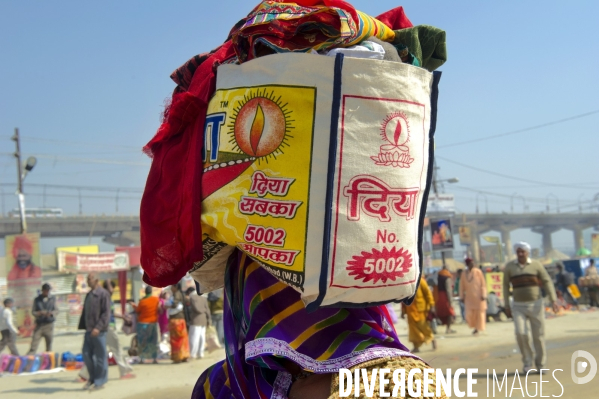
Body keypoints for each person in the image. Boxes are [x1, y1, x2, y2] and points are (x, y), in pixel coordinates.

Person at [503, 241, 558, 373]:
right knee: (520, 333)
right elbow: (505, 286)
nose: (520, 254)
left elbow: (546, 281)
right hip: (518, 306)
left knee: (538, 336)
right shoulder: (510, 267)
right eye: (518, 252)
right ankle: (527, 362)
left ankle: (541, 364)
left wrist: (553, 299)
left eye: (523, 251)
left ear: (527, 252)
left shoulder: (536, 265)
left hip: (536, 305)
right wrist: (506, 305)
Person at [78, 280, 135, 382]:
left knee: (98, 352)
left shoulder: (106, 298)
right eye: (111, 288)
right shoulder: (104, 296)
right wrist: (108, 281)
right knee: (117, 349)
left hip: (105, 327)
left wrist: (122, 317)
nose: (113, 290)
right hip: (108, 327)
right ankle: (124, 371)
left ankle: (84, 374)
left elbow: (110, 313)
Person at [78, 273, 111, 391]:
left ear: (97, 280)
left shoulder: (103, 294)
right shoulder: (89, 295)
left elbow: (106, 314)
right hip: (88, 330)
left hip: (99, 331)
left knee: (100, 357)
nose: (88, 281)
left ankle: (100, 381)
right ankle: (92, 379)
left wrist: (98, 327)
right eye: (87, 279)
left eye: (90, 279)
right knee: (86, 355)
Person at [402, 277, 437, 353]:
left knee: (424, 327)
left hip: (420, 310)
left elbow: (428, 294)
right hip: (410, 311)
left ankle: (432, 339)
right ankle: (416, 347)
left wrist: (432, 305)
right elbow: (402, 298)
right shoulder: (404, 282)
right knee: (413, 330)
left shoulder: (421, 281)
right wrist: (403, 311)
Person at [459, 257, 487, 335]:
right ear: (467, 264)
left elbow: (483, 284)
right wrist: (461, 297)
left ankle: (477, 329)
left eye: (473, 263)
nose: (473, 264)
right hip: (469, 298)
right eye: (471, 263)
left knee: (479, 314)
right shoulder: (464, 274)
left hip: (479, 297)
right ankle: (474, 326)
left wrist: (483, 294)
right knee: (469, 314)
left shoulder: (478, 272)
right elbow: (461, 286)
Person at [28, 283, 57, 354]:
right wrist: (39, 313)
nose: (47, 292)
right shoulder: (37, 300)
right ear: (42, 291)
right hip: (39, 325)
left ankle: (48, 361)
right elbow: (33, 312)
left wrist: (51, 313)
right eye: (45, 291)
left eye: (48, 291)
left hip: (49, 325)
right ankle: (29, 359)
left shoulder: (52, 299)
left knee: (49, 345)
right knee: (34, 345)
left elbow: (56, 310)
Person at [133, 286, 160, 364]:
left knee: (142, 341)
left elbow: (138, 311)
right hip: (153, 323)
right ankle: (154, 359)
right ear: (151, 292)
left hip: (143, 324)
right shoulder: (156, 299)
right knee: (153, 341)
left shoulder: (142, 301)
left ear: (145, 292)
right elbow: (159, 308)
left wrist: (133, 305)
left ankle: (142, 359)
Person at [187, 287, 211, 360]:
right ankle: (201, 353)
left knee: (194, 337)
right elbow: (207, 309)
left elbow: (196, 308)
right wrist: (209, 319)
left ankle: (193, 354)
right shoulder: (203, 298)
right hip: (204, 319)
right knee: (201, 337)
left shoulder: (192, 297)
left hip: (195, 319)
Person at [168, 283, 190, 363]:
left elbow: (174, 304)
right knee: (183, 338)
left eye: (171, 286)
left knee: (176, 339)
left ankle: (178, 357)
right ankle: (184, 356)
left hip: (175, 320)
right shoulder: (182, 294)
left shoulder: (176, 295)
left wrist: (167, 306)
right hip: (181, 319)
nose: (170, 288)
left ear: (175, 287)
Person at [436, 266, 456, 334]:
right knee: (450, 313)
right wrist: (450, 301)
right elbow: (448, 290)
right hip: (445, 297)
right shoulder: (447, 277)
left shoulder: (438, 276)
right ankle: (448, 329)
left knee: (441, 312)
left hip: (438, 296)